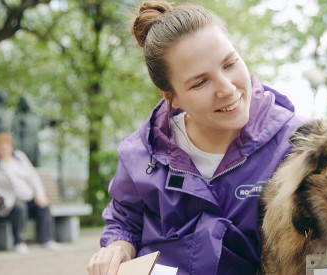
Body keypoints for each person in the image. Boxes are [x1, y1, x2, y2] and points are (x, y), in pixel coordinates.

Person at [86, 1, 302, 274]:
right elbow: (126, 221)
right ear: (171, 97)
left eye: (230, 63)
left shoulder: (300, 146)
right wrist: (117, 248)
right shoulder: (140, 153)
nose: (226, 88)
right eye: (200, 82)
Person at [0, 133, 60, 254]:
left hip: (28, 197)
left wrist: (40, 194)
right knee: (20, 207)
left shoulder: (19, 157)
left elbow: (33, 177)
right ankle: (18, 242)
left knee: (43, 207)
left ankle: (46, 240)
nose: (4, 150)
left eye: (6, 146)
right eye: (0, 147)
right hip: (8, 201)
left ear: (11, 147)